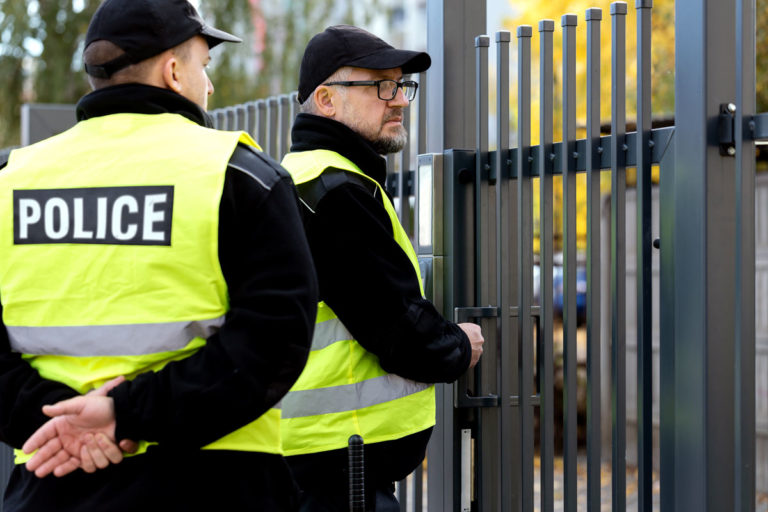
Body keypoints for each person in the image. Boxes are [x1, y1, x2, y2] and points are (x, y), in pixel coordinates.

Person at [0, 0, 317, 510]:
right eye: (204, 66)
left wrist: (56, 420)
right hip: (216, 484)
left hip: (50, 480)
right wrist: (124, 415)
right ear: (173, 71)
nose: (209, 86)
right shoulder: (239, 175)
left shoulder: (10, 181)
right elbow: (274, 338)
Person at [279, 25, 485, 512]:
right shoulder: (333, 192)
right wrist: (458, 345)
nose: (399, 101)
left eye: (401, 86)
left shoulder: (307, 179)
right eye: (381, 86)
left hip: (323, 456)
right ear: (326, 100)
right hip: (341, 464)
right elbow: (393, 323)